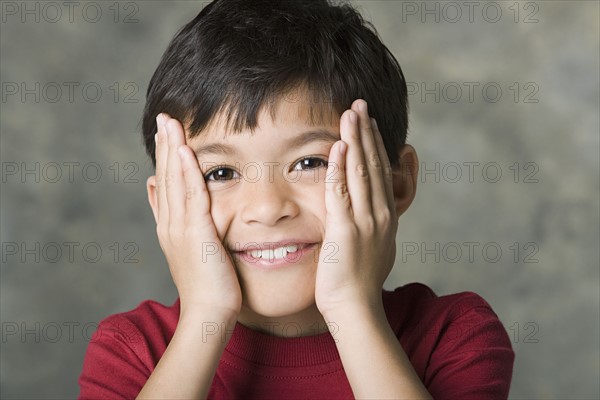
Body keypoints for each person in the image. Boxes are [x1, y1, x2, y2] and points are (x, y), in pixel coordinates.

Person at [78, 0, 515, 398]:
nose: (267, 208)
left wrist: (350, 307)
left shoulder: (454, 335)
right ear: (164, 205)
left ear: (396, 183)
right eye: (221, 173)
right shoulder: (132, 350)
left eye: (309, 163)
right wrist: (205, 315)